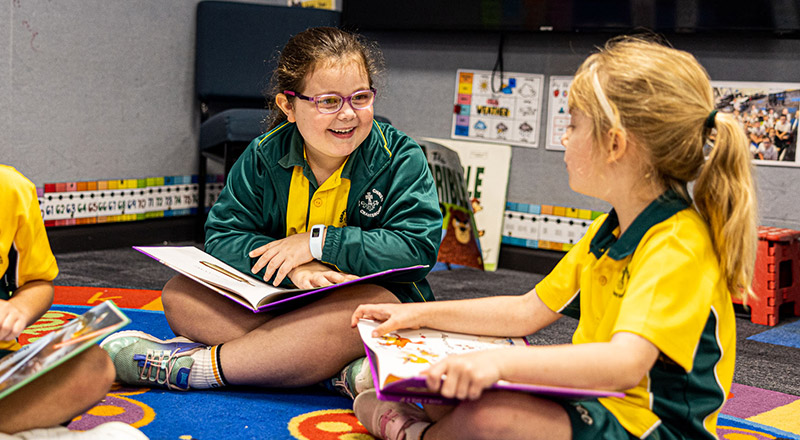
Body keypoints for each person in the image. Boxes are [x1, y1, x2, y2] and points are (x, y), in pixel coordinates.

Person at [350, 36, 757, 440]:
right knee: (452, 392)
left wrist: (498, 365)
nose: (564, 137)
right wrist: (417, 316)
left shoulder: (676, 244)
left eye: (573, 125)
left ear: (614, 143)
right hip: (600, 401)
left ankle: (414, 434)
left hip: (654, 428)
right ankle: (425, 422)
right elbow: (526, 311)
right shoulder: (611, 230)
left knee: (493, 418)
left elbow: (624, 364)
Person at [101, 27, 442, 398]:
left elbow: (416, 248)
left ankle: (194, 369)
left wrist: (319, 244)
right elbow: (223, 236)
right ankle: (329, 371)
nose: (347, 114)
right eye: (328, 101)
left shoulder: (401, 157)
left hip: (364, 309)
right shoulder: (264, 154)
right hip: (282, 303)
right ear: (288, 106)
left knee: (372, 309)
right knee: (180, 296)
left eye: (360, 97)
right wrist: (293, 267)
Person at [0, 164, 147, 439]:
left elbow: (39, 284)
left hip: (3, 370)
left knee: (94, 364)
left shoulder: (11, 188)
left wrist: (18, 309)